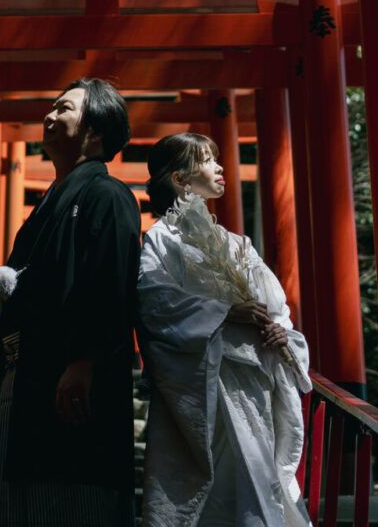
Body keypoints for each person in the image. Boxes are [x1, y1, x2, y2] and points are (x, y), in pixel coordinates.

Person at [0, 78, 143, 527]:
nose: (50, 115)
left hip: (68, 374)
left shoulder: (107, 196)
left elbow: (110, 284)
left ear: (94, 131)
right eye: (52, 106)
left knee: (63, 500)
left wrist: (84, 360)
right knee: (5, 500)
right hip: (25, 374)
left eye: (65, 109)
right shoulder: (52, 201)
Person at [138, 132, 312, 527]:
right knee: (228, 490)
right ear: (180, 179)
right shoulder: (161, 241)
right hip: (205, 384)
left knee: (256, 480)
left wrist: (281, 332)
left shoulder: (238, 244)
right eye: (207, 160)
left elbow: (277, 308)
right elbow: (155, 304)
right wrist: (224, 311)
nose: (219, 167)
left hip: (253, 386)